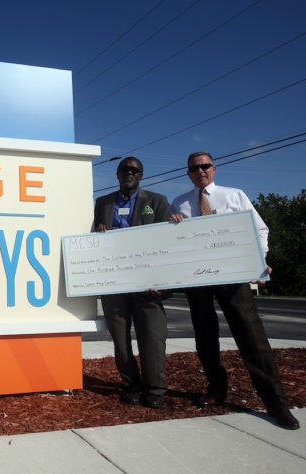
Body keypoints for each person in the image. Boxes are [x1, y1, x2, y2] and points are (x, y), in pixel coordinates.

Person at [170, 151, 299, 430]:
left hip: (233, 276)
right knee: (205, 338)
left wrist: (258, 260)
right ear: (188, 173)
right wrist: (173, 223)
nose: (200, 171)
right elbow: (173, 240)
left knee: (252, 336)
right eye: (194, 168)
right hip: (197, 278)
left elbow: (259, 229)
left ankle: (277, 403)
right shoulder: (179, 202)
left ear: (214, 169)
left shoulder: (235, 195)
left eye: (205, 166)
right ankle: (216, 389)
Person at [93, 157, 170, 408]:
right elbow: (93, 239)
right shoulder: (103, 203)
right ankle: (131, 385)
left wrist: (161, 279)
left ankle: (155, 389)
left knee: (152, 336)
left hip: (148, 283)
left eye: (134, 170)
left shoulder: (157, 201)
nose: (129, 172)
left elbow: (167, 241)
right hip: (115, 281)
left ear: (141, 175)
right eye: (124, 169)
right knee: (120, 338)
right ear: (117, 174)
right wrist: (98, 235)